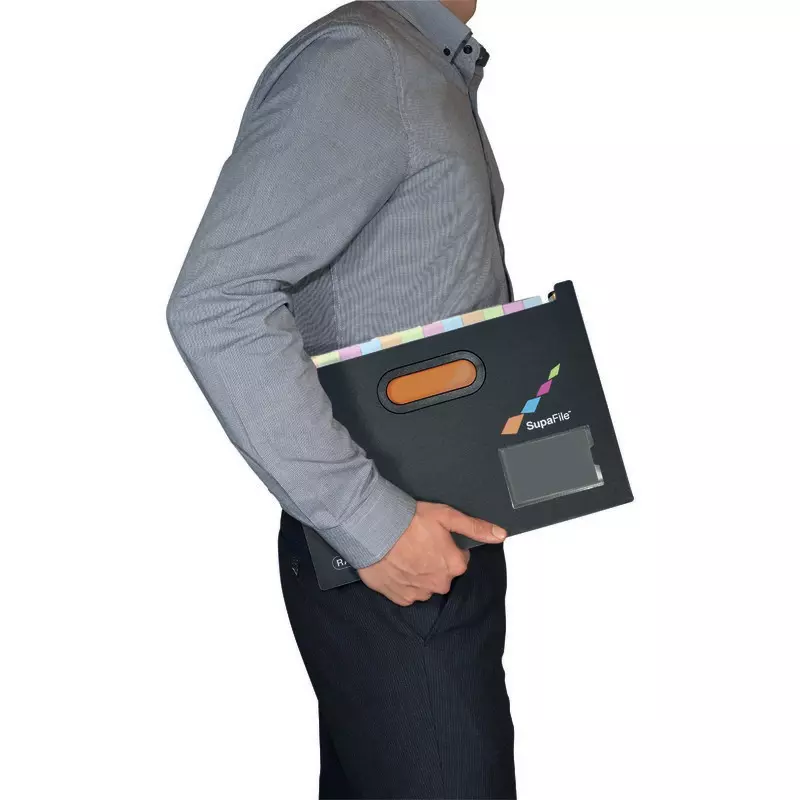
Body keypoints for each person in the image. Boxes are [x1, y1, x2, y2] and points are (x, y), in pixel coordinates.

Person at [167, 1, 516, 797]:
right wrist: (374, 525)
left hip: (428, 543)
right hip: (390, 553)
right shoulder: (362, 58)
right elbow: (215, 303)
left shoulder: (419, 59)